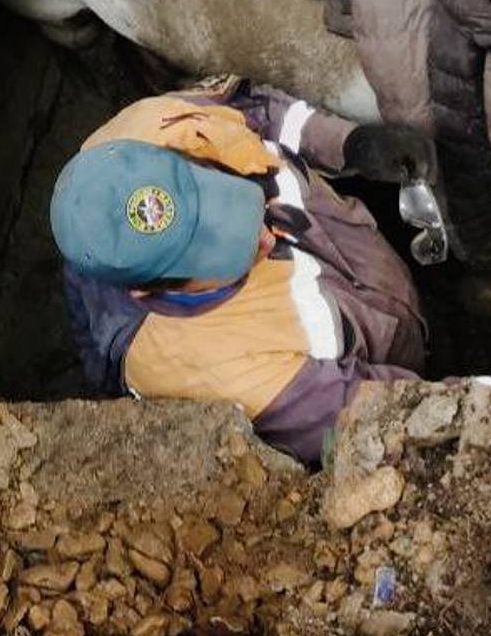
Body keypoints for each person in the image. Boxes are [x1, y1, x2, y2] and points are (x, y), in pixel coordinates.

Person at [49, 75, 435, 466]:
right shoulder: (216, 371)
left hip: (374, 277)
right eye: (230, 256)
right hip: (391, 356)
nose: (267, 237)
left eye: (235, 205)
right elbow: (382, 419)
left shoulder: (154, 127)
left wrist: (347, 144)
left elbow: (260, 111)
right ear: (150, 294)